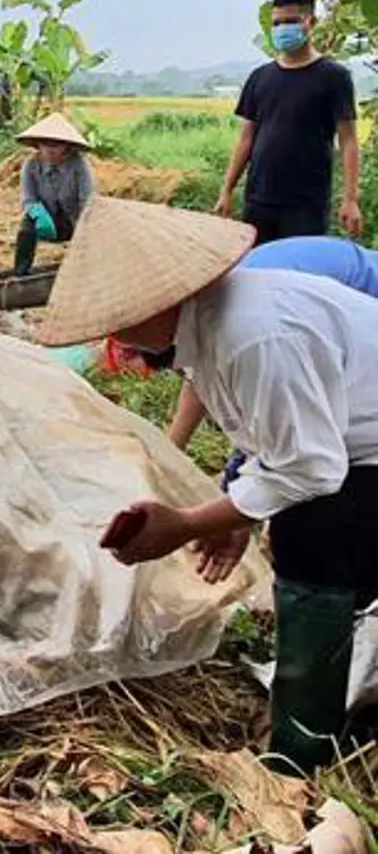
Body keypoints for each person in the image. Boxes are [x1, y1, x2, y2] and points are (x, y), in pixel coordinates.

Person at [39, 197, 378, 775]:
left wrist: (192, 523)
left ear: (157, 304)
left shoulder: (252, 335)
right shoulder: (210, 327)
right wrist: (237, 514)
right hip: (349, 440)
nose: (117, 337)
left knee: (312, 543)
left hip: (361, 450)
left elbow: (313, 468)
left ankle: (299, 755)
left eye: (119, 320)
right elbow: (269, 436)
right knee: (325, 544)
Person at [168, 235, 378, 462]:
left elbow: (284, 404)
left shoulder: (251, 319)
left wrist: (171, 450)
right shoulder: (225, 295)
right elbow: (202, 374)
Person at [214, 0, 362, 244]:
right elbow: (246, 139)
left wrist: (350, 200)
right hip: (259, 200)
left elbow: (348, 141)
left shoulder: (334, 77)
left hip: (306, 205)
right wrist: (226, 189)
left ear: (310, 23)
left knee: (300, 271)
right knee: (257, 270)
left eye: (291, 21)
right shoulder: (260, 77)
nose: (283, 28)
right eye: (277, 23)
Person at [12, 113, 96, 277]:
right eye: (45, 144)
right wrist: (38, 214)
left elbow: (88, 200)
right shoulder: (31, 165)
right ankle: (20, 275)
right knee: (25, 230)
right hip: (45, 217)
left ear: (66, 146)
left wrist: (83, 228)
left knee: (91, 239)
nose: (50, 149)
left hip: (74, 218)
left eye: (56, 144)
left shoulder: (79, 166)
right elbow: (28, 198)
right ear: (38, 144)